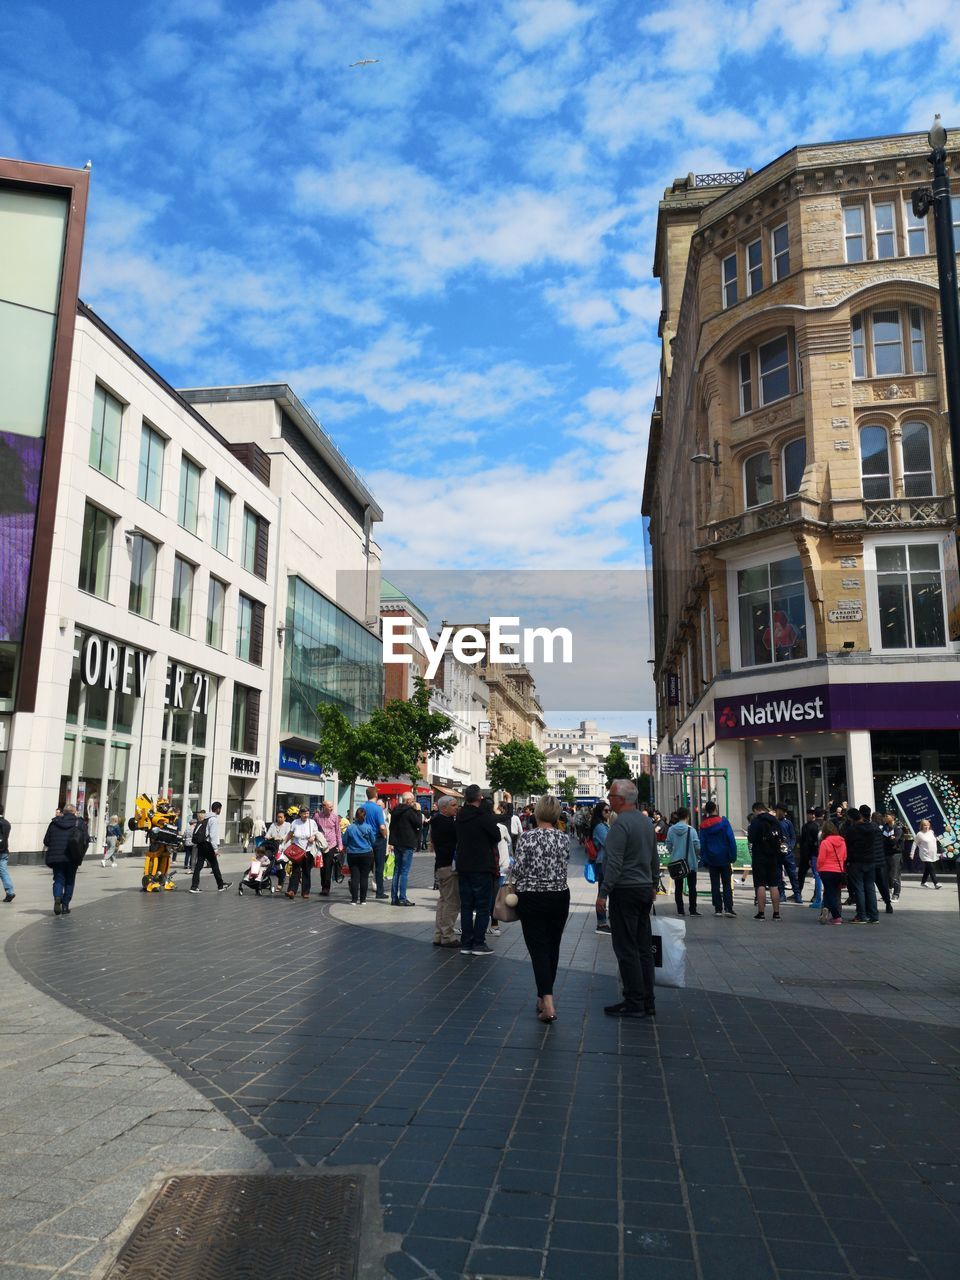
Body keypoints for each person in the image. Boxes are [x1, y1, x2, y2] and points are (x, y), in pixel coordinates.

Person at [600, 780, 658, 1019]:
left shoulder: (620, 825)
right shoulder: (646, 822)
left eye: (611, 795)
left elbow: (614, 862)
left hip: (625, 890)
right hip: (644, 888)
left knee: (626, 947)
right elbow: (653, 856)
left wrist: (604, 892)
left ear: (621, 799)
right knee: (644, 946)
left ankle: (633, 1000)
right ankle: (648, 1000)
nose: (608, 798)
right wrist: (654, 883)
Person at [513, 795, 571, 1023]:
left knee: (537, 948)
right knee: (552, 946)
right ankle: (542, 996)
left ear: (536, 813)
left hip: (531, 897)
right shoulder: (564, 839)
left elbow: (517, 870)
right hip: (558, 896)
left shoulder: (526, 839)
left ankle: (547, 1002)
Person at [455, 783, 501, 956]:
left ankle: (466, 943)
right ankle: (479, 943)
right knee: (482, 906)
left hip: (464, 865)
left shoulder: (460, 816)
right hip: (482, 865)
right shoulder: (483, 816)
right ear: (480, 797)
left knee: (466, 906)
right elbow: (496, 836)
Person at [43, 803, 88, 915]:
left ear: (63, 812)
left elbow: (46, 841)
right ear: (74, 812)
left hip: (56, 856)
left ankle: (57, 898)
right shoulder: (80, 823)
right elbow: (85, 840)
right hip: (72, 856)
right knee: (69, 880)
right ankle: (65, 905)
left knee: (58, 879)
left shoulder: (54, 823)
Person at [697, 800, 737, 916]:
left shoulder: (703, 825)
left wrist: (704, 858)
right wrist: (733, 856)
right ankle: (728, 908)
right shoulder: (724, 822)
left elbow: (702, 844)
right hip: (724, 857)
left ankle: (718, 909)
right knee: (726, 884)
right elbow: (731, 840)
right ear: (716, 809)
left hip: (711, 859)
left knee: (714, 884)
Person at [431, 795, 460, 947]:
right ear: (444, 808)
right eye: (454, 805)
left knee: (443, 900)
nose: (457, 807)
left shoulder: (436, 821)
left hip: (440, 865)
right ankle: (448, 936)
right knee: (452, 902)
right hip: (449, 866)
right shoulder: (448, 823)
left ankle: (439, 934)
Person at [843, 807, 881, 922]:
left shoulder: (851, 829)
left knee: (859, 888)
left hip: (856, 861)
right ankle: (874, 916)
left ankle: (861, 915)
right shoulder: (872, 827)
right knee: (870, 888)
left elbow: (847, 845)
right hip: (870, 860)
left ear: (850, 818)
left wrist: (847, 861)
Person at [748, 801, 783, 920]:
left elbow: (751, 838)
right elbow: (781, 837)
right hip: (773, 856)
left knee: (760, 885)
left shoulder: (756, 821)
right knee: (774, 885)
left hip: (759, 856)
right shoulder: (774, 820)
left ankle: (761, 913)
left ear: (756, 810)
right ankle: (776, 914)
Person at [388, 791, 422, 905]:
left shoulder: (395, 810)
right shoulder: (410, 811)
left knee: (396, 870)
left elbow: (391, 827)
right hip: (407, 843)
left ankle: (394, 898)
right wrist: (418, 810)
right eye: (412, 800)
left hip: (397, 843)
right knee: (404, 872)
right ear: (408, 800)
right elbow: (418, 824)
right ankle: (402, 898)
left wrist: (391, 842)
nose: (413, 802)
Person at [665, 806, 700, 916]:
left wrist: (674, 853)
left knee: (678, 887)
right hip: (690, 862)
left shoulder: (671, 829)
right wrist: (696, 856)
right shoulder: (691, 830)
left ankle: (680, 910)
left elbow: (668, 844)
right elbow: (697, 846)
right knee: (692, 887)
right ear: (687, 816)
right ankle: (693, 910)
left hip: (676, 862)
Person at [188, 801, 230, 893]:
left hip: (201, 844)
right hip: (208, 844)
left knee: (199, 865)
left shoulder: (205, 818)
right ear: (218, 809)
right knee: (214, 864)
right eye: (220, 809)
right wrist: (215, 849)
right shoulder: (213, 819)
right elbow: (213, 835)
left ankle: (194, 887)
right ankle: (220, 885)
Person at [284, 806, 324, 899]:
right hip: (297, 850)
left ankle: (305, 892)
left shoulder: (312, 822)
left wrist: (313, 838)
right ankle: (292, 891)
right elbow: (290, 834)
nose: (306, 815)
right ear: (300, 814)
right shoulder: (295, 822)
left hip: (308, 850)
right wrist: (283, 843)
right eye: (304, 813)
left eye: (307, 813)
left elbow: (316, 833)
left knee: (306, 871)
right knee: (295, 871)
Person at [816, 819, 847, 924]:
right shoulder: (842, 842)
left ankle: (835, 916)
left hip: (826, 871)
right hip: (838, 871)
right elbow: (844, 856)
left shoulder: (825, 842)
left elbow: (821, 859)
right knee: (834, 893)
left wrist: (818, 868)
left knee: (829, 894)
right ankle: (827, 910)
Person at [343, 807, 375, 904]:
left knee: (355, 877)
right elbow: (373, 841)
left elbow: (344, 841)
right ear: (364, 816)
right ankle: (363, 900)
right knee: (364, 877)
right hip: (366, 853)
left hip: (353, 854)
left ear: (355, 816)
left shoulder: (350, 828)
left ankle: (354, 899)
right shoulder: (368, 827)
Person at [488, 806, 512, 937]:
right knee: (497, 892)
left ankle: (493, 921)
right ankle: (495, 922)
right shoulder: (501, 827)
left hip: (490, 865)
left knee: (490, 893)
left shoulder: (484, 826)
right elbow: (508, 840)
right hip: (502, 864)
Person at [362, 787, 389, 900]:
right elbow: (382, 826)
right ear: (376, 795)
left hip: (365, 839)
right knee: (379, 866)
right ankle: (380, 892)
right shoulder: (378, 809)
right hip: (378, 839)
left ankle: (359, 888)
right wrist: (385, 834)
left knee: (365, 865)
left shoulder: (362, 807)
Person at [589, 801, 611, 933]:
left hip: (604, 862)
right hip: (603, 862)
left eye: (609, 810)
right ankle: (602, 923)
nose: (608, 813)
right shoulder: (599, 827)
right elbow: (609, 842)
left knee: (605, 892)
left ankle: (603, 921)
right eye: (606, 811)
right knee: (603, 893)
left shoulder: (603, 825)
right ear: (600, 812)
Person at [774, 803, 802, 902]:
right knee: (778, 875)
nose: (778, 812)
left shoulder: (788, 823)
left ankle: (797, 894)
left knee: (792, 874)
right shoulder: (774, 822)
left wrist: (789, 847)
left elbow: (793, 837)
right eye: (777, 810)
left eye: (780, 811)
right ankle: (781, 894)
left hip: (787, 853)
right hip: (776, 852)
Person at [316, 800, 344, 896]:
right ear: (324, 807)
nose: (331, 809)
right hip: (320, 844)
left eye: (332, 807)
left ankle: (326, 888)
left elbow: (338, 831)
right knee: (322, 866)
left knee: (328, 866)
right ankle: (323, 885)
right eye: (329, 807)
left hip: (331, 845)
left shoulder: (334, 816)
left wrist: (340, 845)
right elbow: (314, 829)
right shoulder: (317, 816)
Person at [797, 807, 823, 909]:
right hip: (811, 854)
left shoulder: (812, 826)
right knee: (804, 875)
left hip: (811, 855)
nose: (812, 816)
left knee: (815, 876)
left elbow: (807, 843)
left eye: (813, 814)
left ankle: (813, 896)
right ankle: (799, 892)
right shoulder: (818, 825)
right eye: (810, 813)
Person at [265, 810, 291, 893]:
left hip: (284, 849)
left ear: (284, 818)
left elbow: (288, 835)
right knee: (271, 866)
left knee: (281, 866)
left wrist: (281, 838)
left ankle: (280, 883)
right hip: (273, 849)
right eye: (278, 817)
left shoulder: (288, 825)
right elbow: (267, 834)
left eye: (281, 817)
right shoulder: (273, 825)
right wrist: (269, 837)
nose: (279, 819)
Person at [912, 819, 942, 888]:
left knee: (927, 869)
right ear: (922, 826)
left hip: (932, 854)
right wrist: (912, 853)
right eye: (925, 825)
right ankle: (936, 883)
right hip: (925, 855)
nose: (927, 827)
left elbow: (936, 840)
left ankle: (923, 882)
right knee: (931, 868)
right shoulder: (919, 834)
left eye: (928, 825)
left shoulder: (931, 832)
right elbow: (914, 844)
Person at [881, 812, 904, 902]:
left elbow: (895, 841)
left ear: (893, 817)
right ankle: (886, 894)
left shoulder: (898, 828)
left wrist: (890, 839)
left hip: (895, 854)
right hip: (886, 853)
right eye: (885, 816)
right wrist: (889, 839)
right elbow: (882, 839)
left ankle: (896, 894)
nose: (885, 818)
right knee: (886, 875)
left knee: (895, 875)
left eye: (887, 816)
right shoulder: (884, 828)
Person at [0, 803, 15, 903]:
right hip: (4, 850)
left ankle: (10, 892)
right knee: (3, 871)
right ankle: (10, 891)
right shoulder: (7, 823)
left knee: (3, 871)